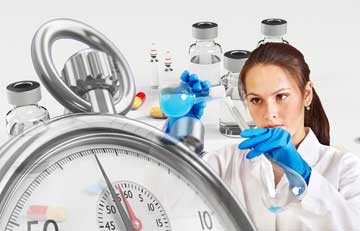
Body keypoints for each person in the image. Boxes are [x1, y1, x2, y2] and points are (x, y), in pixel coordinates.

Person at [165, 43, 360, 230]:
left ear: (306, 94)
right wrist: (175, 140)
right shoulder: (225, 163)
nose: (269, 113)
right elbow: (165, 206)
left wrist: (303, 175)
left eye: (281, 96)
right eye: (256, 100)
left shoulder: (345, 168)